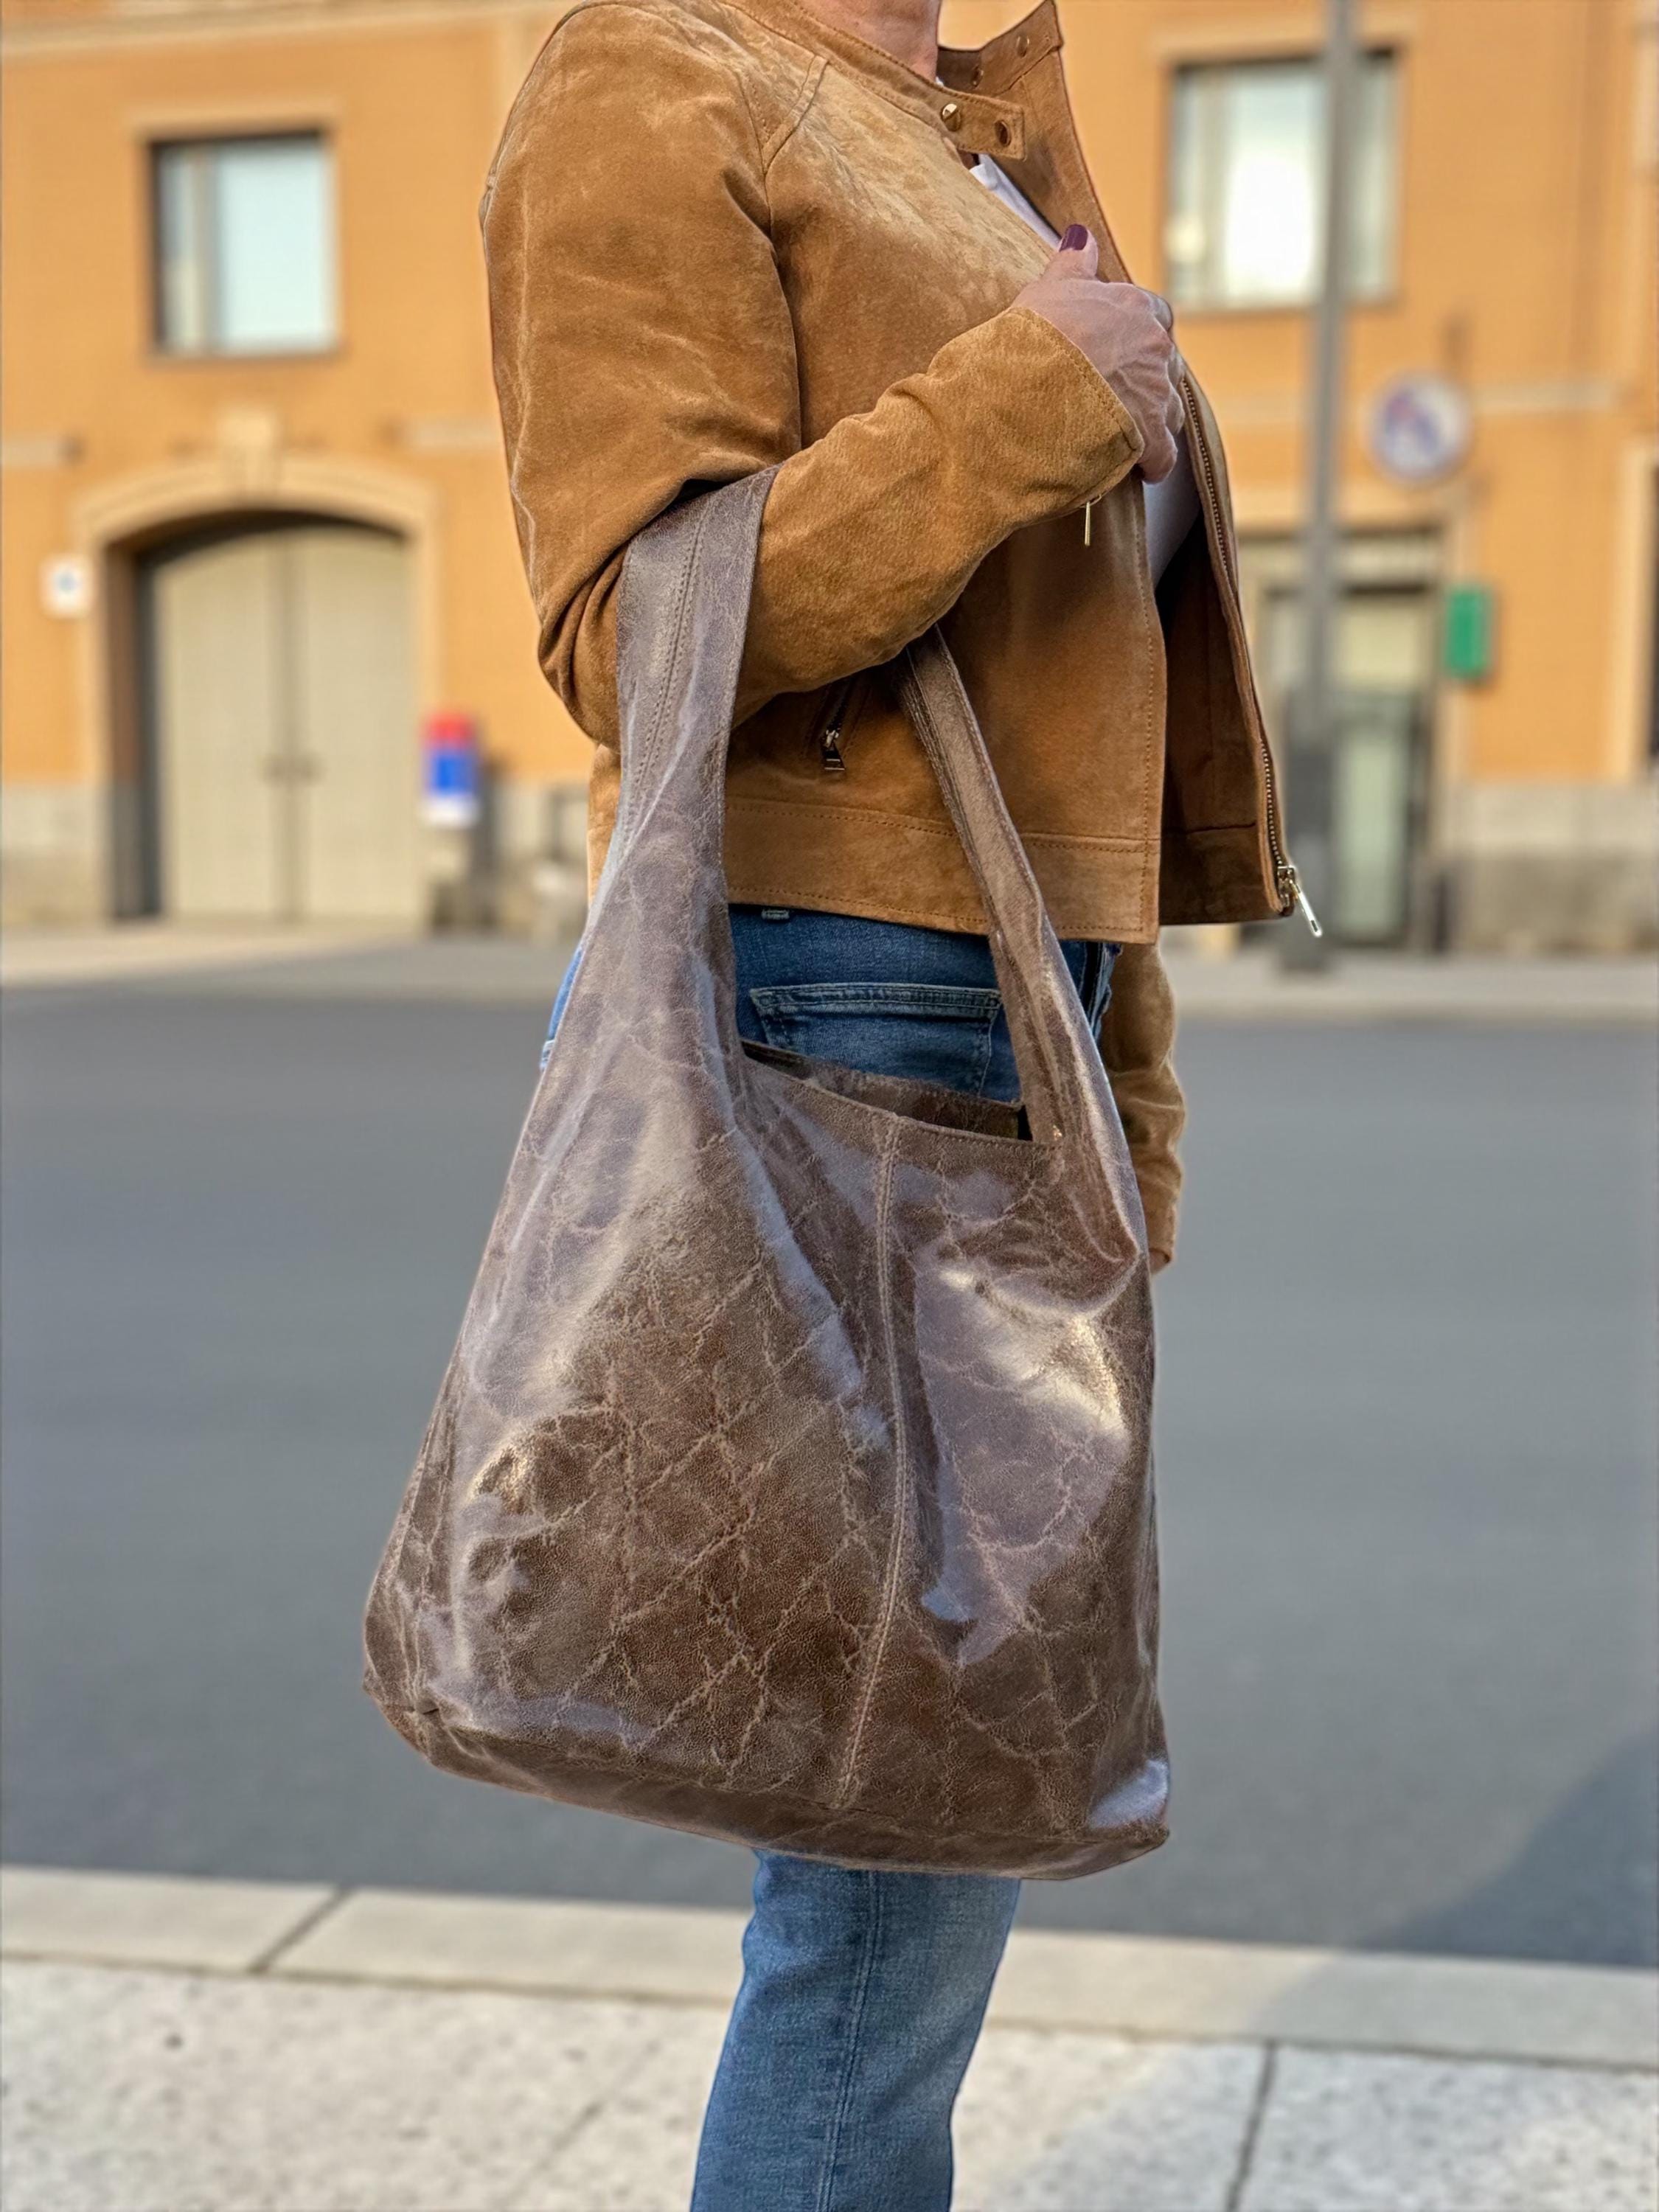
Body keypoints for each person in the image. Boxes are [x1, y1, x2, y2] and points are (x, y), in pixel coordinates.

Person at [481, 0, 1297, 2202]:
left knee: (924, 1822)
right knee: (900, 1834)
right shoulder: (658, 73)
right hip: (863, 980)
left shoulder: (964, 120)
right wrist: (1032, 392)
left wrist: (1125, 1055)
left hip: (1022, 978)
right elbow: (637, 623)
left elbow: (1072, 635)